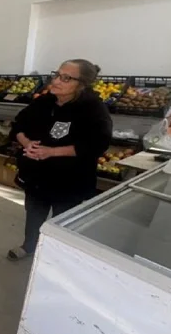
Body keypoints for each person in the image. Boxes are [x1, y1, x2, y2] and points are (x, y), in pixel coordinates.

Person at [7, 59, 112, 260]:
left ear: (81, 84)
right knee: (34, 212)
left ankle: (54, 258)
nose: (56, 81)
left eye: (65, 78)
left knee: (63, 221)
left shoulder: (93, 109)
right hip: (36, 176)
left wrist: (51, 152)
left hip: (70, 180)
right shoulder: (44, 102)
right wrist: (26, 142)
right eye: (56, 74)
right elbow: (19, 124)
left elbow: (97, 144)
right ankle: (29, 245)